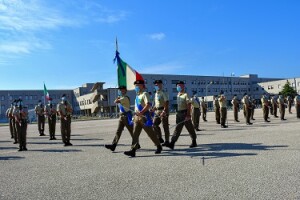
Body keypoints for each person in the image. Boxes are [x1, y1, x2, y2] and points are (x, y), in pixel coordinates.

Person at [124, 80, 162, 157]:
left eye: (138, 85)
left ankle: (159, 146)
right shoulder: (137, 96)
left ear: (142, 86)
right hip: (137, 117)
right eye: (135, 86)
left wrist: (141, 112)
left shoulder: (145, 94)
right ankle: (133, 150)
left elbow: (148, 104)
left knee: (150, 133)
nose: (136, 87)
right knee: (135, 134)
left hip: (144, 117)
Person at [166, 81, 197, 150]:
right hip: (179, 114)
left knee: (190, 128)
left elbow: (188, 104)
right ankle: (172, 143)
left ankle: (194, 141)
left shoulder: (186, 95)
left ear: (183, 86)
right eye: (177, 86)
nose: (179, 87)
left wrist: (188, 115)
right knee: (177, 128)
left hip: (185, 113)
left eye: (180, 86)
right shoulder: (178, 95)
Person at [105, 85, 135, 151]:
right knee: (118, 131)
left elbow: (115, 101)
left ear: (125, 90)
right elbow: (116, 101)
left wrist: (118, 98)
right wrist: (118, 97)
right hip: (121, 116)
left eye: (122, 90)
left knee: (131, 132)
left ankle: (136, 144)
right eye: (120, 90)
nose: (121, 91)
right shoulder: (121, 97)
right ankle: (113, 145)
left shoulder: (125, 98)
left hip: (126, 116)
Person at [152, 80, 170, 146]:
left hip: (163, 111)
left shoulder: (163, 92)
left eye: (158, 85)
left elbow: (167, 102)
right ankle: (159, 138)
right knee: (154, 124)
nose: (157, 86)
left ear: (161, 85)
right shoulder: (156, 93)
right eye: (155, 85)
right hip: (157, 111)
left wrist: (164, 111)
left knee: (165, 126)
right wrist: (153, 108)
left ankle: (167, 141)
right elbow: (157, 103)